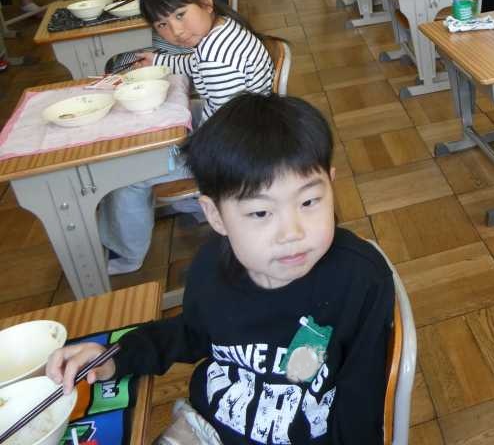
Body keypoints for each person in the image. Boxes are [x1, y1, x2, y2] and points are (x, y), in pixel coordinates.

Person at [48, 94, 395, 445]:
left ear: (330, 185)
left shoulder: (360, 279)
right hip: (209, 431)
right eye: (260, 212)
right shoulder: (211, 266)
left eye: (309, 201)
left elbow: (361, 406)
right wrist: (117, 357)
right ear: (215, 215)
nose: (292, 233)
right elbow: (191, 332)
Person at [98, 0, 273, 275]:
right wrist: (158, 59)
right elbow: (195, 63)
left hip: (237, 152)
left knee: (128, 175)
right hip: (245, 127)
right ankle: (196, 202)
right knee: (168, 115)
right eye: (162, 24)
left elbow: (224, 131)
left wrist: (178, 148)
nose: (176, 31)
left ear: (205, 3)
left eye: (180, 15)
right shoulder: (220, 28)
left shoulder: (217, 58)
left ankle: (127, 255)